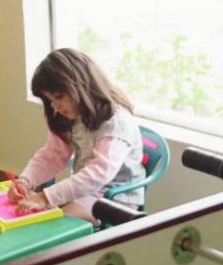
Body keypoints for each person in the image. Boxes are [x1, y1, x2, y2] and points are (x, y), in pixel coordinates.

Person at [8, 48, 145, 223]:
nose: (56, 106)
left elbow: (99, 173)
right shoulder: (69, 114)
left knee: (57, 225)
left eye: (59, 96)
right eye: (51, 100)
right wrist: (25, 181)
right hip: (85, 189)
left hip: (114, 198)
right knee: (34, 213)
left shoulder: (116, 122)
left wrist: (44, 198)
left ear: (81, 85)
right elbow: (52, 155)